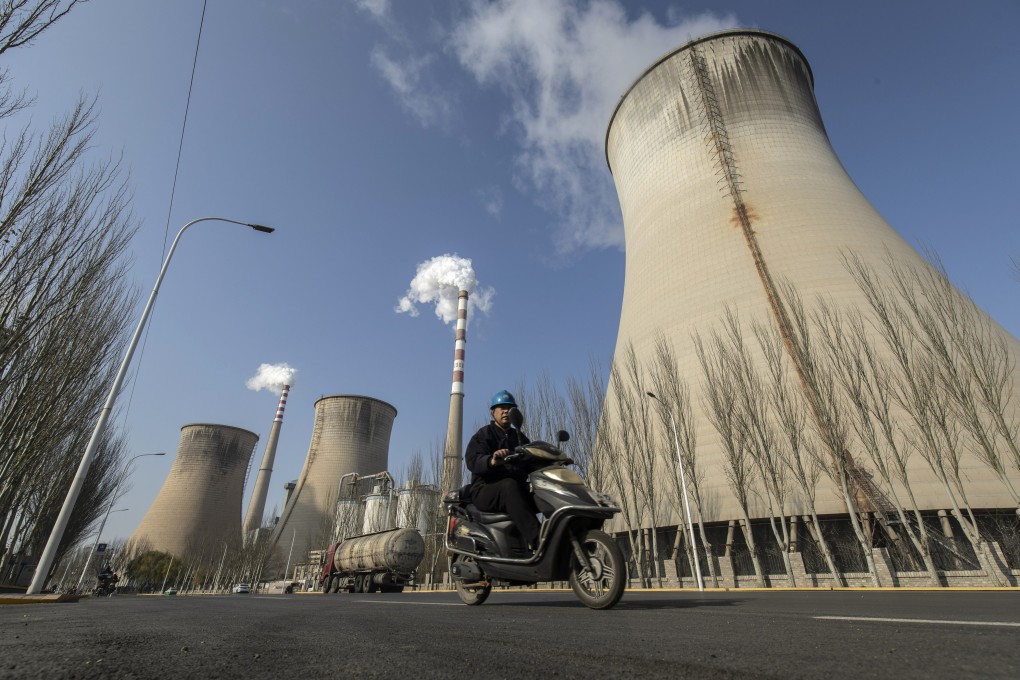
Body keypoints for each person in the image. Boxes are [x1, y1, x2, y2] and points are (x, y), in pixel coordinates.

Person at [464, 390, 541, 551]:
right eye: (502, 408)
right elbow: (472, 460)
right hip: (485, 490)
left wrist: (554, 461)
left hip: (515, 490)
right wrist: (491, 461)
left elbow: (532, 460)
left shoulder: (519, 438)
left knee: (543, 491)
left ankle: (563, 535)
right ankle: (539, 542)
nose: (506, 411)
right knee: (509, 485)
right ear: (493, 412)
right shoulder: (484, 435)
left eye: (510, 408)